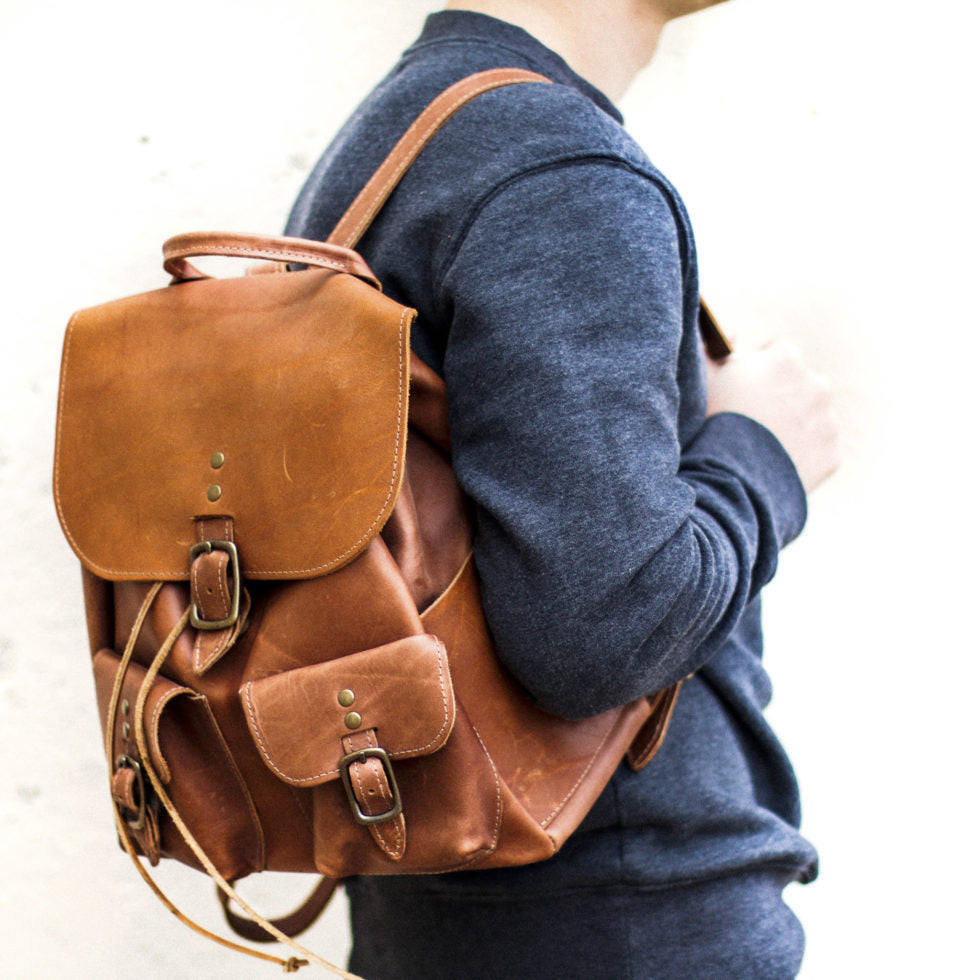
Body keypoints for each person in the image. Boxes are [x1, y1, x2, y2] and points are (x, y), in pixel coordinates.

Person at [286, 1, 840, 976]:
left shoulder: (405, 133)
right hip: (622, 921)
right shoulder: (552, 166)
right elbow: (599, 628)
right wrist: (762, 453)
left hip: (468, 915)